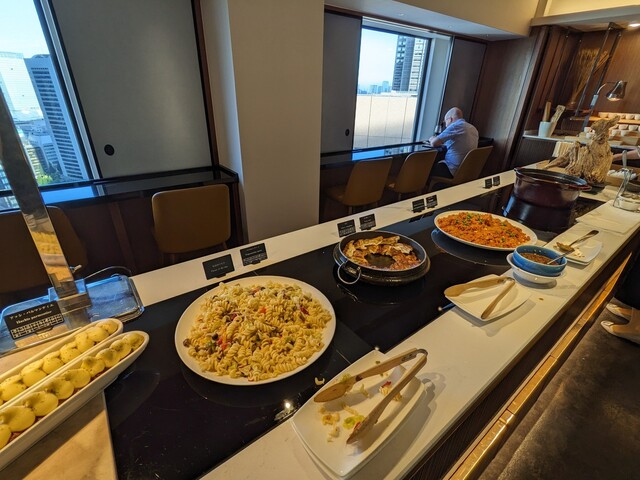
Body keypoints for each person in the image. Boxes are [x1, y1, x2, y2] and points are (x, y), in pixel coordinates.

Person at [428, 107, 479, 178]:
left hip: (452, 169)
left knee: (425, 167)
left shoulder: (456, 126)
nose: (446, 126)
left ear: (450, 119)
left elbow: (434, 143)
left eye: (445, 122)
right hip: (466, 170)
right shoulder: (473, 128)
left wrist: (431, 138)